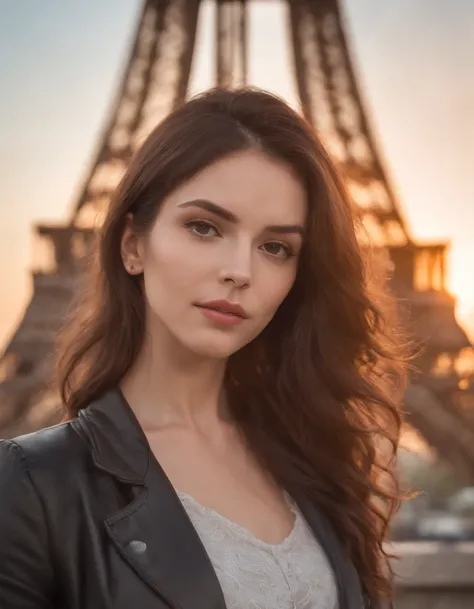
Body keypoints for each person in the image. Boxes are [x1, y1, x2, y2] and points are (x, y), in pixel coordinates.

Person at [0, 87, 406, 609]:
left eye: (275, 247)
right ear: (133, 245)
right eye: (204, 227)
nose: (240, 270)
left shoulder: (317, 458)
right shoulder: (34, 483)